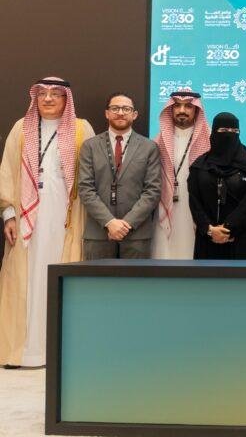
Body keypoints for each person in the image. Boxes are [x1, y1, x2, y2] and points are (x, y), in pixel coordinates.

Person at [0, 78, 94, 368]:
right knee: (24, 280)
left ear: (67, 99)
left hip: (68, 218)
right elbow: (7, 172)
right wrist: (8, 215)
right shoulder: (21, 128)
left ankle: (59, 352)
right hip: (26, 218)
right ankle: (21, 352)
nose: (48, 99)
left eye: (55, 94)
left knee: (61, 273)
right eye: (42, 94)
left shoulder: (82, 129)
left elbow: (92, 175)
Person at [78, 92, 162, 259]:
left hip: (136, 234)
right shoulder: (90, 146)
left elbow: (152, 191)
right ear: (107, 113)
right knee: (97, 277)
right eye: (115, 108)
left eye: (126, 109)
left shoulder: (149, 147)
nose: (121, 113)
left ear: (134, 114)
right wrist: (109, 222)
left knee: (133, 278)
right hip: (98, 233)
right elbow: (85, 188)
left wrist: (127, 224)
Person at [188, 112, 246, 259]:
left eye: (234, 131)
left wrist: (228, 229)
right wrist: (210, 230)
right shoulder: (200, 166)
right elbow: (194, 201)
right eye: (223, 130)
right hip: (208, 240)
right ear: (214, 132)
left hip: (242, 240)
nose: (229, 135)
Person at [152, 90, 210, 259]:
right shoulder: (157, 142)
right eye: (177, 105)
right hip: (165, 206)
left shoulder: (210, 141)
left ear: (197, 110)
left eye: (188, 106)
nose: (182, 110)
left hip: (197, 208)